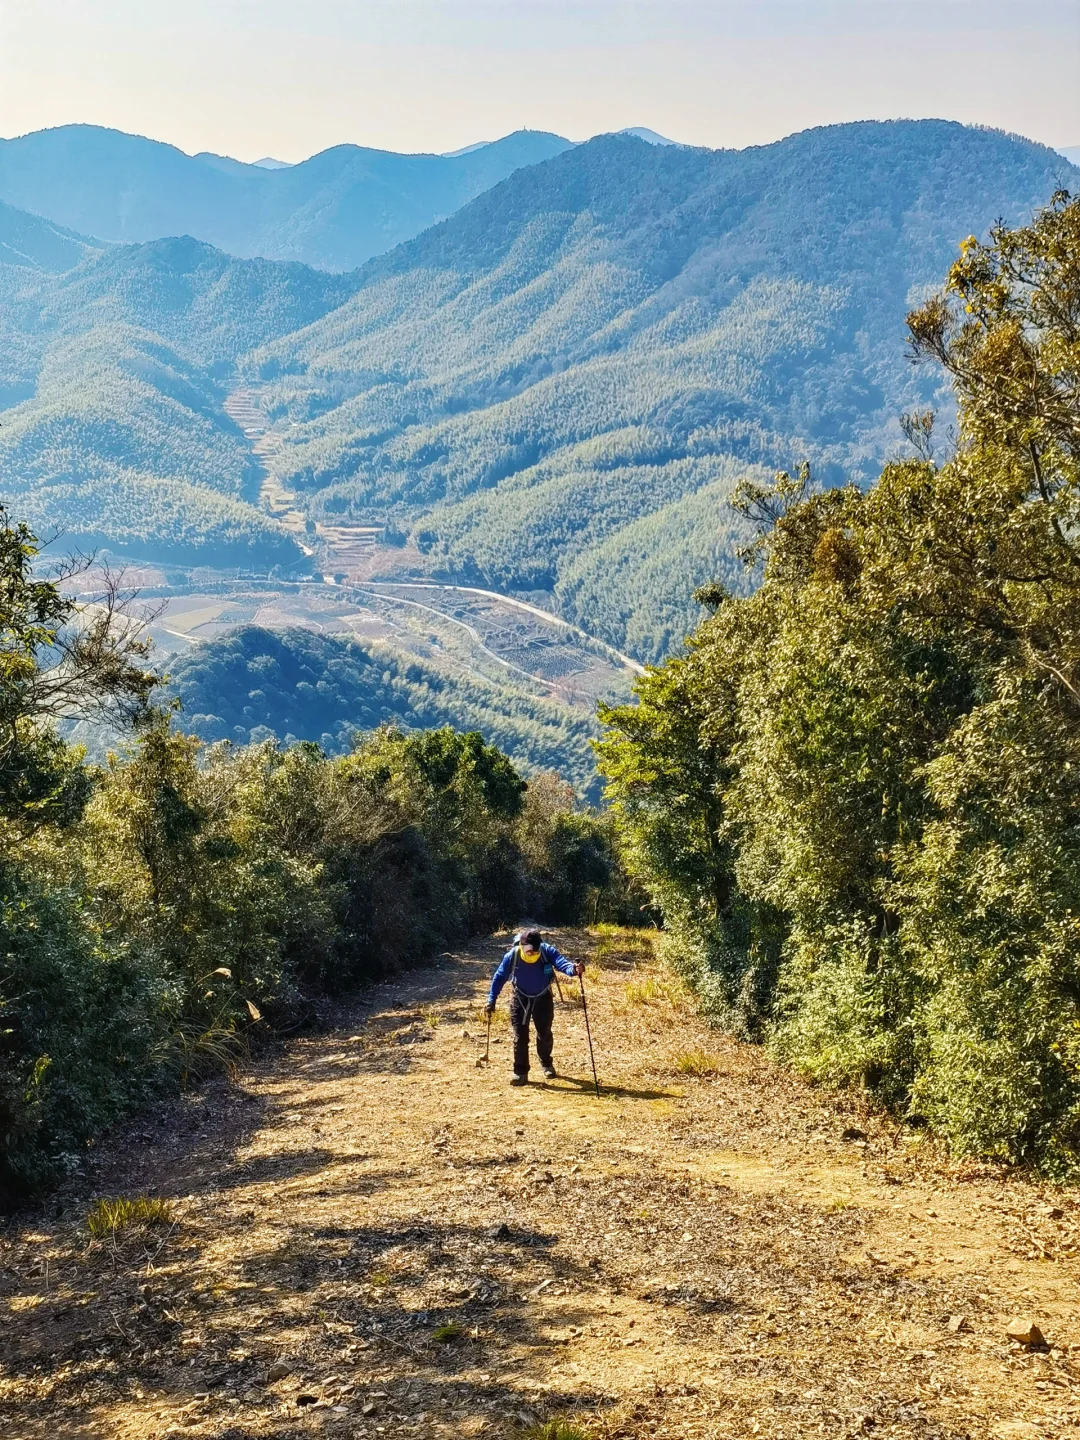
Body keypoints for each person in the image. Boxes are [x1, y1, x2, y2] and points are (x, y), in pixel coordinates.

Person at [485, 928, 582, 1085]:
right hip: (519, 998)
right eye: (529, 951)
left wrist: (574, 969)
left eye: (535, 951)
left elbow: (562, 963)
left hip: (543, 997)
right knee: (520, 1037)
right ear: (522, 946)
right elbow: (499, 977)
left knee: (544, 1033)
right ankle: (520, 1072)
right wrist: (491, 999)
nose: (532, 954)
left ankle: (546, 1063)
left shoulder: (546, 951)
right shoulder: (513, 955)